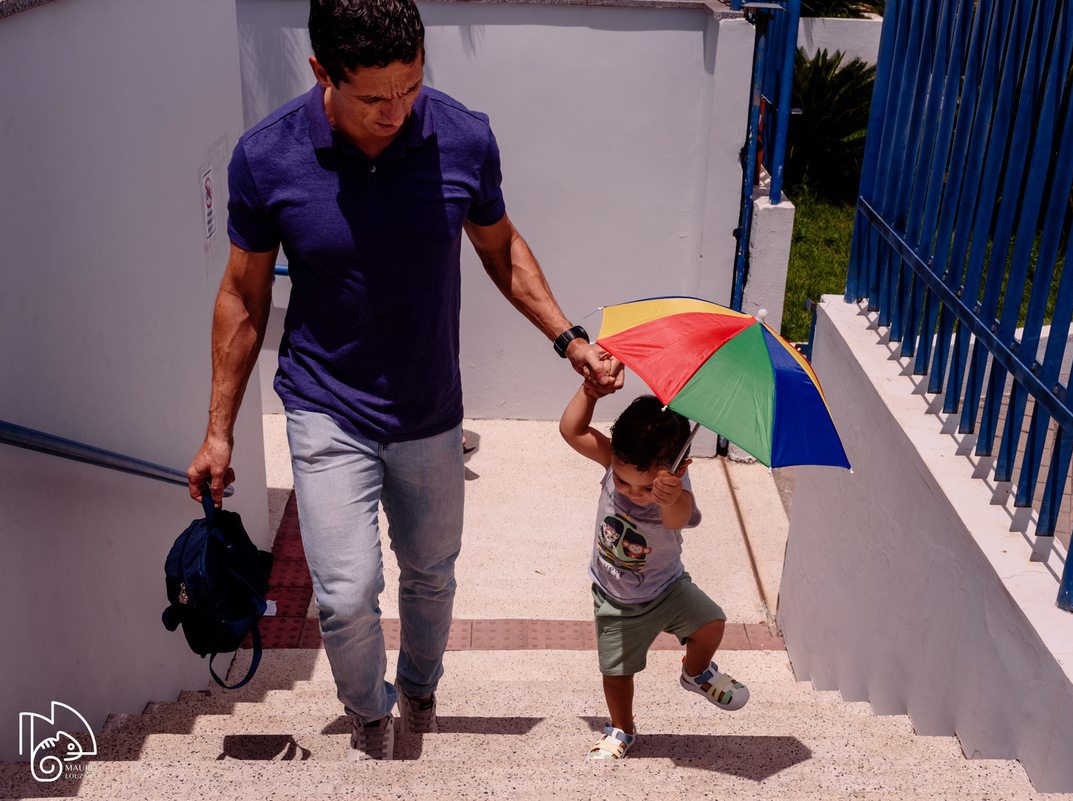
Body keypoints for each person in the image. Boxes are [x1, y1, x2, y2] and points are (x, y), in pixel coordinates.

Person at [187, 0, 618, 762]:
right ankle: (369, 710)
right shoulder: (267, 157)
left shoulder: (463, 136)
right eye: (375, 96)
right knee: (345, 596)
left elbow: (501, 248)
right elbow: (243, 295)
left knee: (431, 573)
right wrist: (219, 429)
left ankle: (420, 684)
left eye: (411, 87)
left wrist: (568, 338)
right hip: (326, 405)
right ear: (323, 72)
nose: (398, 111)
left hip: (430, 410)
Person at [558, 386, 749, 760]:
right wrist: (589, 392)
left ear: (680, 468)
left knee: (712, 624)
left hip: (667, 587)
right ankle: (622, 727)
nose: (631, 491)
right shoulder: (615, 461)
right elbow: (571, 430)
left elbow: (681, 520)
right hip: (614, 598)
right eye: (622, 481)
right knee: (616, 673)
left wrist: (671, 496)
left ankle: (696, 673)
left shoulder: (677, 492)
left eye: (644, 487)